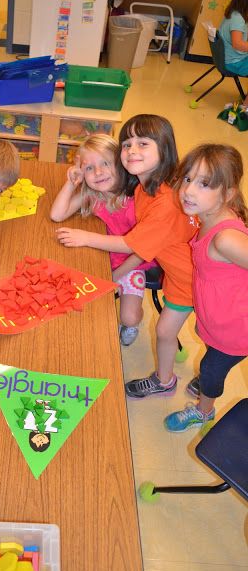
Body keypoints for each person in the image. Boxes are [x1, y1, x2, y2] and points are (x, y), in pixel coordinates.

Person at [57, 115, 198, 398]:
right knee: (169, 333)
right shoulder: (144, 185)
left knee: (193, 335)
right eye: (127, 144)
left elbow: (134, 245)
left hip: (188, 282)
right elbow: (58, 214)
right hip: (173, 273)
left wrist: (89, 243)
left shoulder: (158, 199)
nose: (133, 151)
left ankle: (187, 382)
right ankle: (180, 379)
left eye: (143, 143)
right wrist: (74, 180)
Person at [164, 144, 248, 432]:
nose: (189, 190)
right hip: (221, 318)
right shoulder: (210, 217)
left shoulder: (225, 238)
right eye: (188, 179)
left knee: (212, 368)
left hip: (236, 325)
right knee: (215, 361)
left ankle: (204, 410)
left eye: (204, 184)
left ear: (228, 194)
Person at [51, 133, 155, 346]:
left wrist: (115, 276)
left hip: (133, 263)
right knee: (80, 308)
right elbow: (57, 215)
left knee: (129, 316)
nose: (98, 173)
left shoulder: (136, 198)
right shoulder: (93, 193)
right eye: (89, 168)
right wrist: (72, 183)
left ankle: (132, 324)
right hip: (101, 255)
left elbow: (140, 250)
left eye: (105, 164)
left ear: (121, 163)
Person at [218, 0, 248, 108]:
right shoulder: (238, 19)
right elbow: (238, 44)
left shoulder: (234, 12)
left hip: (229, 58)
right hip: (233, 62)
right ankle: (245, 107)